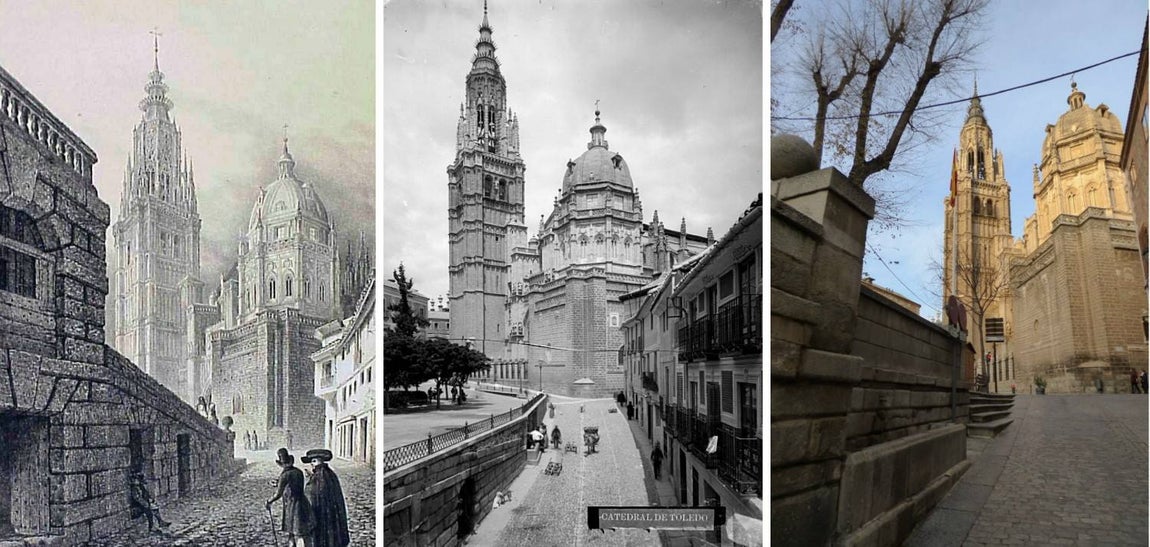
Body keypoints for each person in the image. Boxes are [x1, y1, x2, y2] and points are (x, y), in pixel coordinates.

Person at [302, 449, 350, 547]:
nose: (311, 464)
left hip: (321, 511)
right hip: (328, 511)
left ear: (321, 461)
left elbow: (315, 492)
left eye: (314, 461)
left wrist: (311, 481)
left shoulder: (321, 475)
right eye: (311, 461)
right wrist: (311, 477)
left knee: (323, 533)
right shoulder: (328, 473)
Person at [267, 448, 314, 546]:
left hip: (292, 506)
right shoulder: (298, 471)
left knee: (296, 532)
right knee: (296, 531)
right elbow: (293, 484)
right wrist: (278, 483)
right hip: (302, 503)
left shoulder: (285, 475)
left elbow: (278, 494)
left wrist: (269, 501)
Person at [129, 465, 171, 532]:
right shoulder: (134, 488)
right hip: (137, 506)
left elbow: (146, 494)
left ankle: (160, 521)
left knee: (154, 507)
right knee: (148, 510)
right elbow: (137, 498)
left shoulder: (141, 486)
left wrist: (151, 500)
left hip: (144, 503)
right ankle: (151, 527)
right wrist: (145, 503)